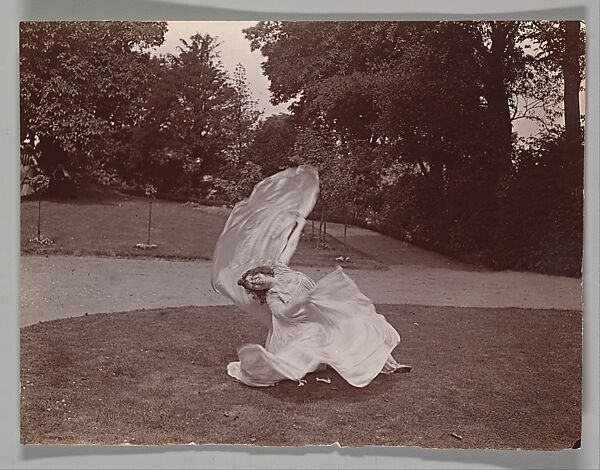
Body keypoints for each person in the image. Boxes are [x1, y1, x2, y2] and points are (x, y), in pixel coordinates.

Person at [211, 165, 410, 387]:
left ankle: (390, 365)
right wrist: (305, 300)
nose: (255, 281)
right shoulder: (273, 298)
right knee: (335, 338)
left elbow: (290, 245)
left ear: (260, 272)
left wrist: (299, 224)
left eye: (253, 277)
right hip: (300, 329)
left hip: (319, 310)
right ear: (257, 291)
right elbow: (287, 314)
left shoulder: (280, 268)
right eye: (252, 285)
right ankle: (355, 363)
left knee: (361, 323)